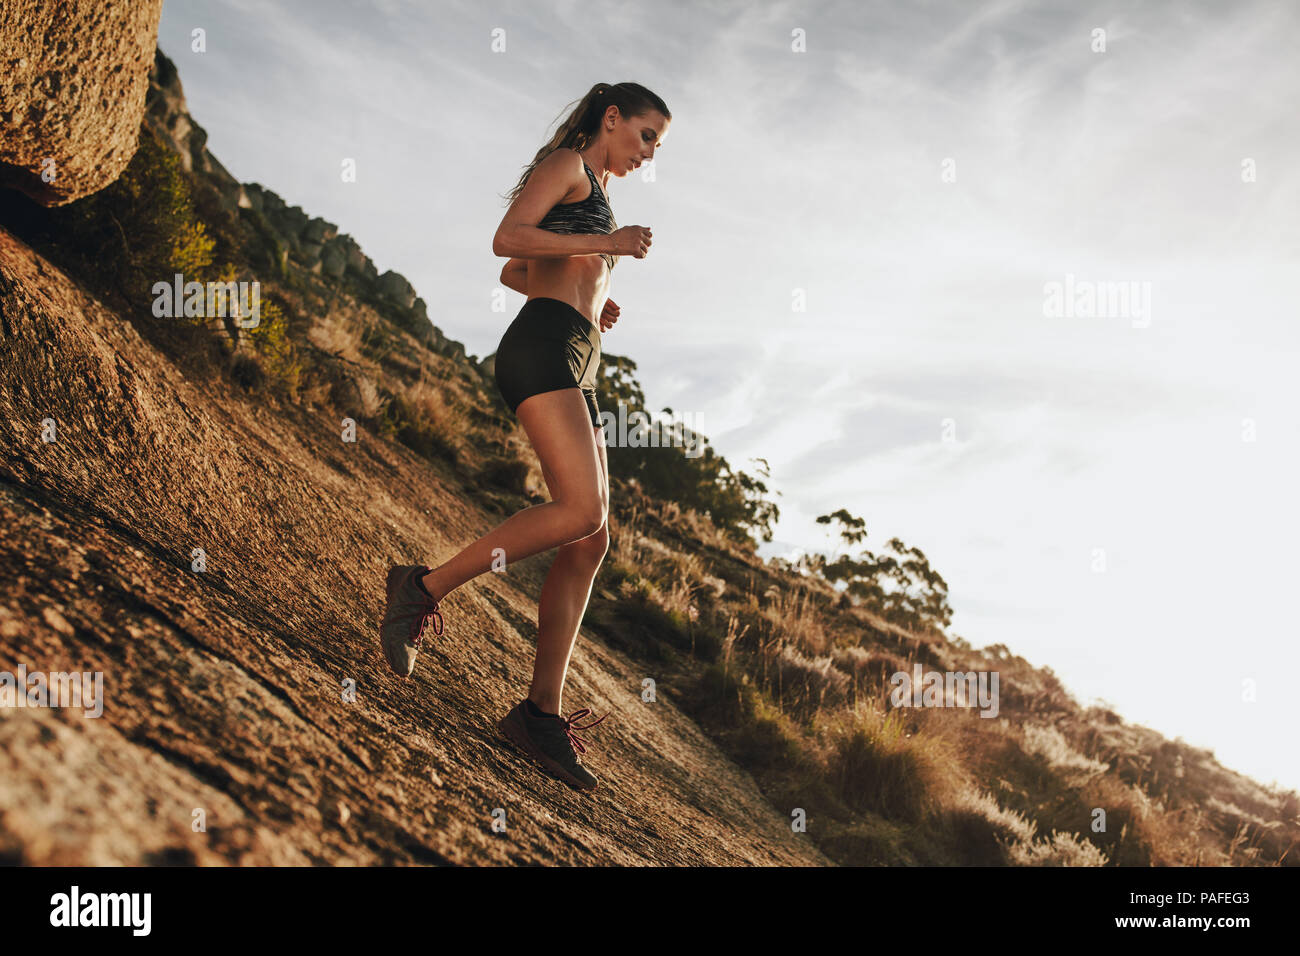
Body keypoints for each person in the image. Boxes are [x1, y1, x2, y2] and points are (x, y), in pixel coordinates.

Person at [379, 82, 670, 792]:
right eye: (646, 136)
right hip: (540, 348)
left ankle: (539, 714)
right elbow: (505, 241)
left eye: (658, 144)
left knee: (592, 537)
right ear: (611, 120)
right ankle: (422, 588)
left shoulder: (595, 186)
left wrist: (589, 294)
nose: (651, 153)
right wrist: (605, 246)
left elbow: (522, 269)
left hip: (576, 351)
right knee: (577, 511)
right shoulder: (569, 164)